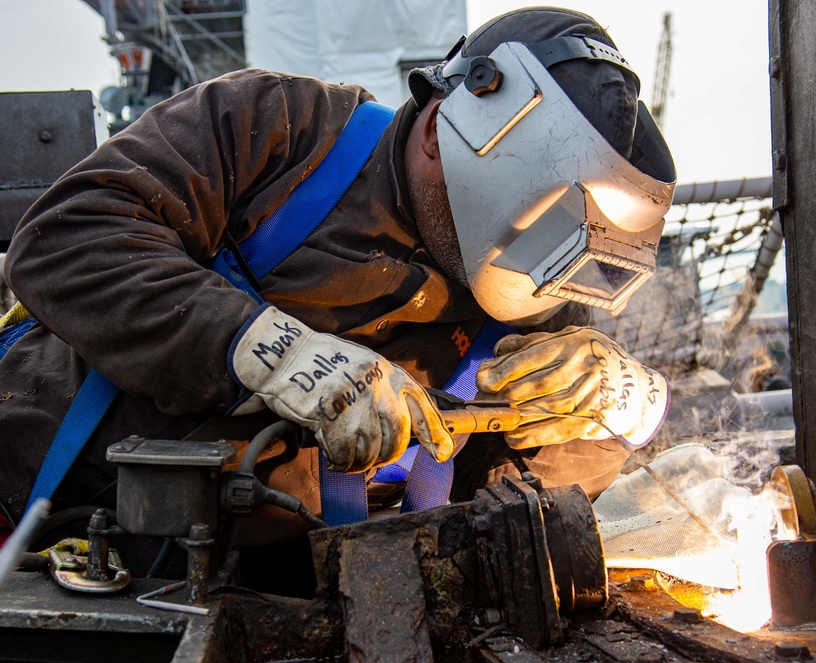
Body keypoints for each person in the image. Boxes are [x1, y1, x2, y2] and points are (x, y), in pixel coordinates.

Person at [0, 7, 676, 548]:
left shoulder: (534, 296)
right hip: (52, 520)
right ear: (443, 129)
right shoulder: (278, 129)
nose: (536, 269)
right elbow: (64, 239)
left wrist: (609, 415)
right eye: (530, 224)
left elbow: (506, 495)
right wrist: (270, 350)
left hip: (290, 577)